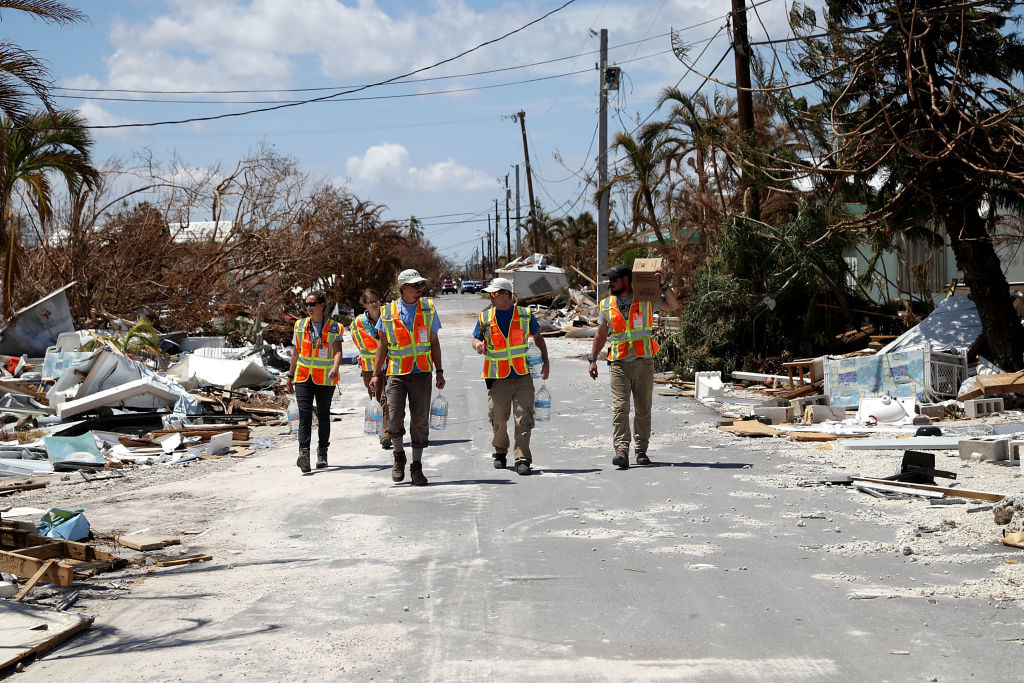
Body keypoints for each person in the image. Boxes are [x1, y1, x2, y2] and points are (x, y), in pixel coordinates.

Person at [588, 264, 679, 469]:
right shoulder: (606, 304)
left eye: (614, 279)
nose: (610, 283)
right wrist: (592, 359)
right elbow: (601, 334)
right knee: (620, 408)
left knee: (643, 409)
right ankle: (621, 450)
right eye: (609, 280)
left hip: (643, 363)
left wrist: (664, 284)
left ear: (626, 280)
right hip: (619, 364)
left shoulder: (646, 299)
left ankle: (641, 450)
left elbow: (673, 305)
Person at [369, 269, 445, 486]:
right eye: (415, 285)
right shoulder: (388, 312)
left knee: (420, 421)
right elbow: (382, 346)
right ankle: (399, 456)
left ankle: (417, 466)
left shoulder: (428, 308)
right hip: (396, 373)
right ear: (403, 287)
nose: (420, 288)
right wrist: (376, 374)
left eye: (421, 285)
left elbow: (434, 342)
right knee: (393, 418)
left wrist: (439, 371)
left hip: (421, 373)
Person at [472, 277, 549, 476]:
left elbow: (538, 338)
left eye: (494, 293)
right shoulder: (485, 317)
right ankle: (500, 451)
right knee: (498, 418)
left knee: (524, 417)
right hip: (497, 377)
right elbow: (475, 338)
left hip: (522, 375)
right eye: (489, 294)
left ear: (506, 294)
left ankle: (522, 458)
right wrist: (478, 345)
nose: (491, 297)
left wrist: (546, 362)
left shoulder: (524, 315)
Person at [286, 291, 344, 473]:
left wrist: (335, 367)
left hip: (325, 378)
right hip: (303, 377)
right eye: (307, 304)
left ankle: (322, 453)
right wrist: (289, 376)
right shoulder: (300, 325)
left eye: (312, 304)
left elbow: (338, 351)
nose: (309, 308)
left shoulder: (334, 327)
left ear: (322, 305)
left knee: (323, 415)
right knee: (305, 415)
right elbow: (295, 353)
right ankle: (303, 454)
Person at [351, 289, 392, 450]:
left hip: (390, 365)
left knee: (389, 399)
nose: (375, 304)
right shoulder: (358, 322)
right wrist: (361, 354)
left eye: (376, 300)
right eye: (371, 302)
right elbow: (358, 341)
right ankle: (386, 433)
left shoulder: (388, 317)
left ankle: (387, 433)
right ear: (364, 305)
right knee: (377, 399)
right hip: (370, 368)